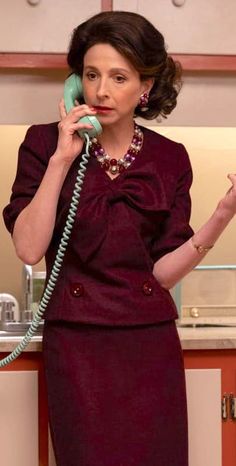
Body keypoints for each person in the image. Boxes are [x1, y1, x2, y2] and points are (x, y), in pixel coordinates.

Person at [2, 10, 236, 466]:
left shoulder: (171, 158)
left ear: (145, 87)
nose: (101, 91)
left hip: (148, 344)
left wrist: (224, 213)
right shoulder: (42, 143)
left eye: (118, 76)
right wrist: (62, 160)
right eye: (91, 75)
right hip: (78, 344)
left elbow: (163, 272)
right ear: (75, 82)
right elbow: (29, 248)